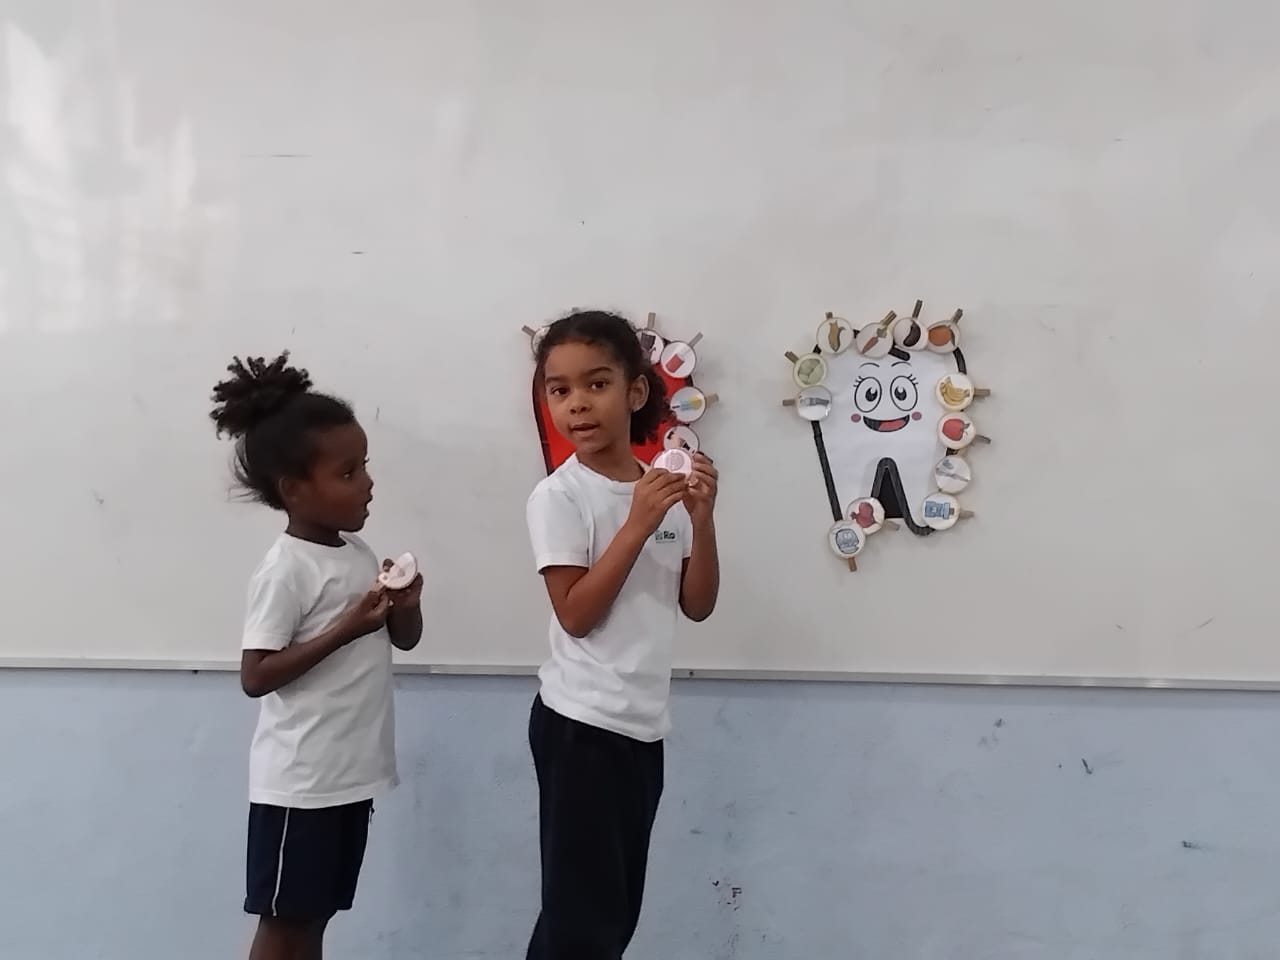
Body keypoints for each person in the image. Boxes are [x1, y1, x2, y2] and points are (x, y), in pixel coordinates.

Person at [210, 352, 423, 960]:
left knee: (314, 921)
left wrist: (405, 605)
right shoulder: (285, 570)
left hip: (348, 778)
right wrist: (346, 629)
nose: (367, 483)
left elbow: (403, 640)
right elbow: (256, 676)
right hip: (300, 786)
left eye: (364, 466)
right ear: (294, 490)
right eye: (348, 472)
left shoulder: (357, 552)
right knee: (283, 927)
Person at [524, 311, 721, 958]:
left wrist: (701, 518)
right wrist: (637, 525)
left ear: (635, 392)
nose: (577, 403)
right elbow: (575, 615)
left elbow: (697, 604)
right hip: (581, 726)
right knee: (582, 924)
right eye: (559, 390)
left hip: (641, 727)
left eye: (597, 384)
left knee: (607, 916)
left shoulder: (661, 489)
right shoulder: (560, 497)